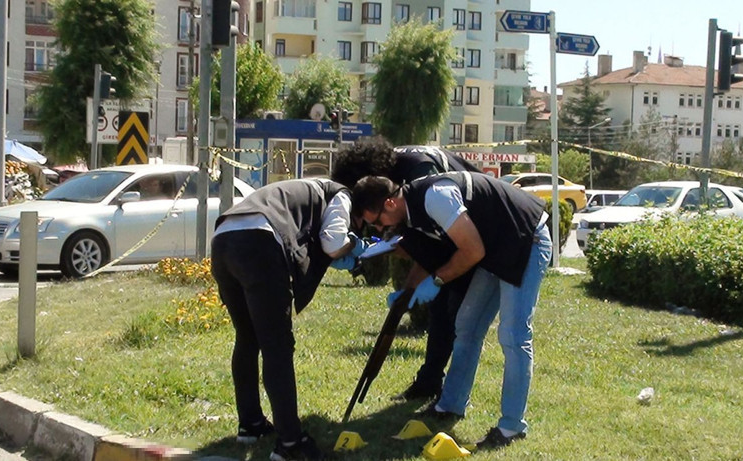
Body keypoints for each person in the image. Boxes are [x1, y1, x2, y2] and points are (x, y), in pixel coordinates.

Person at [351, 172, 552, 449]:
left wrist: (437, 281)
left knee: (513, 335)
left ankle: (511, 428)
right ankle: (450, 406)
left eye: (375, 221)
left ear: (389, 204)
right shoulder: (412, 210)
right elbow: (435, 252)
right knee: (467, 325)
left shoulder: (436, 198)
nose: (377, 229)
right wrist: (410, 289)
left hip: (526, 240)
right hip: (495, 247)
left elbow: (471, 251)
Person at [211, 178, 366, 461]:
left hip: (223, 238)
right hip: (259, 242)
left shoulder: (303, 186)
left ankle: (251, 423)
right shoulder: (341, 195)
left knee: (247, 338)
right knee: (277, 346)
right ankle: (291, 443)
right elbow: (333, 242)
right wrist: (354, 246)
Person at [331, 137, 478, 401]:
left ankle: (446, 395)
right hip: (452, 233)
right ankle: (430, 382)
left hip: (470, 234)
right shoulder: (393, 175)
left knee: (452, 311)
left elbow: (438, 240)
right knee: (440, 310)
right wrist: (409, 285)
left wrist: (425, 278)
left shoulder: (419, 172)